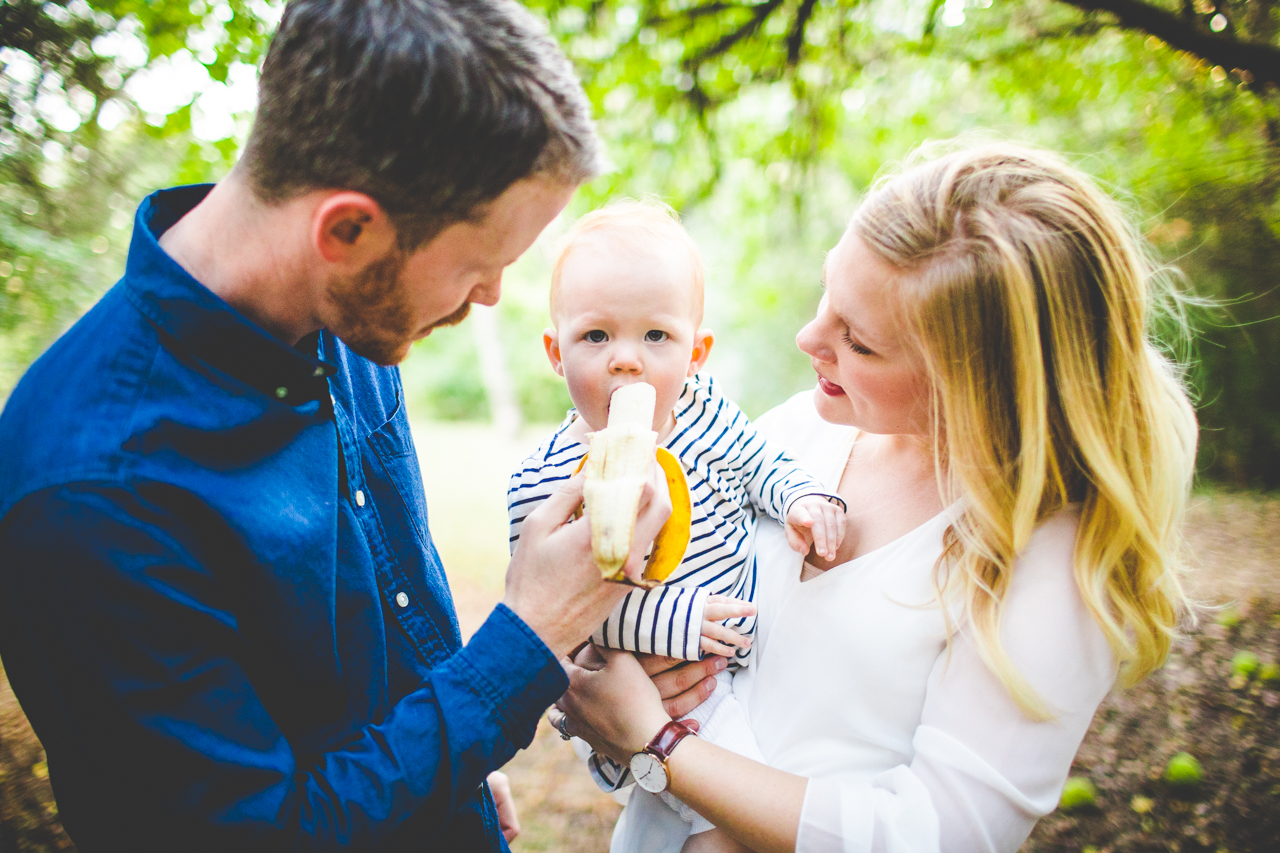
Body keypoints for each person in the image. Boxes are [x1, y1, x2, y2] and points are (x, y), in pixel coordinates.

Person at [0, 1, 671, 850]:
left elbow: (371, 633)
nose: (492, 296)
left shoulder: (353, 322)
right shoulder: (90, 494)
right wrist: (529, 637)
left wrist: (453, 757)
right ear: (348, 229)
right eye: (478, 266)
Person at [552, 142, 1198, 853]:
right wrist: (604, 704)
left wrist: (660, 743)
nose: (809, 337)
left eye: (858, 342)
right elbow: (635, 671)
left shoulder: (1051, 555)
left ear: (972, 383)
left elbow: (939, 835)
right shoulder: (799, 434)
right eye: (828, 295)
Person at [506, 202, 847, 844]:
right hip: (655, 681)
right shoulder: (547, 483)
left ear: (696, 352)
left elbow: (757, 463)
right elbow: (572, 609)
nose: (626, 361)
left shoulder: (705, 411)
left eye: (656, 337)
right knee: (737, 816)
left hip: (737, 663)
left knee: (704, 812)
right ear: (556, 352)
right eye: (596, 336)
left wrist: (799, 497)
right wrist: (683, 621)